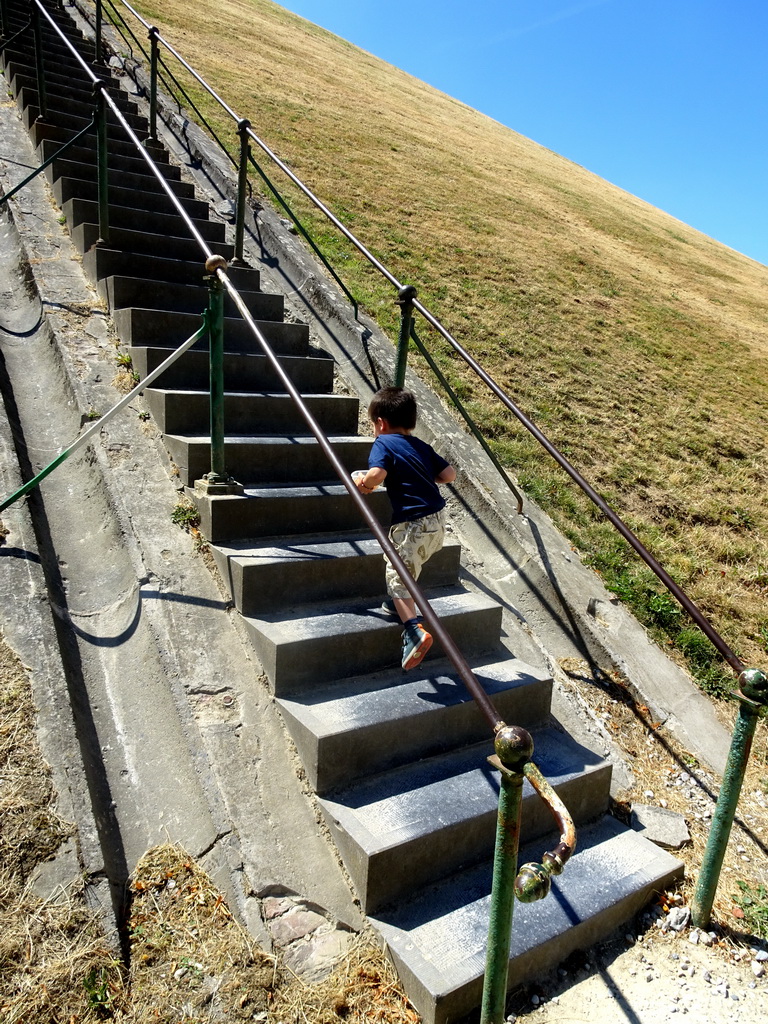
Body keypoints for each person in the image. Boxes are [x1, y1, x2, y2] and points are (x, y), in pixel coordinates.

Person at [355, 386, 456, 671]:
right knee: (408, 567)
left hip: (412, 523)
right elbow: (449, 475)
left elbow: (377, 474)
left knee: (398, 573)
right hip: (437, 523)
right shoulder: (421, 446)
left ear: (380, 423)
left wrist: (363, 485)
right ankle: (398, 605)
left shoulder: (383, 444)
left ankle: (413, 630)